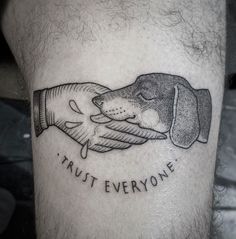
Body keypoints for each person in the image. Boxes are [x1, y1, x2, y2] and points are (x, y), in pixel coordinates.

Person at [1, 0, 225, 238]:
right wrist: (47, 107)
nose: (104, 100)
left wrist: (47, 107)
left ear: (184, 107)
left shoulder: (184, 105)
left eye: (143, 93)